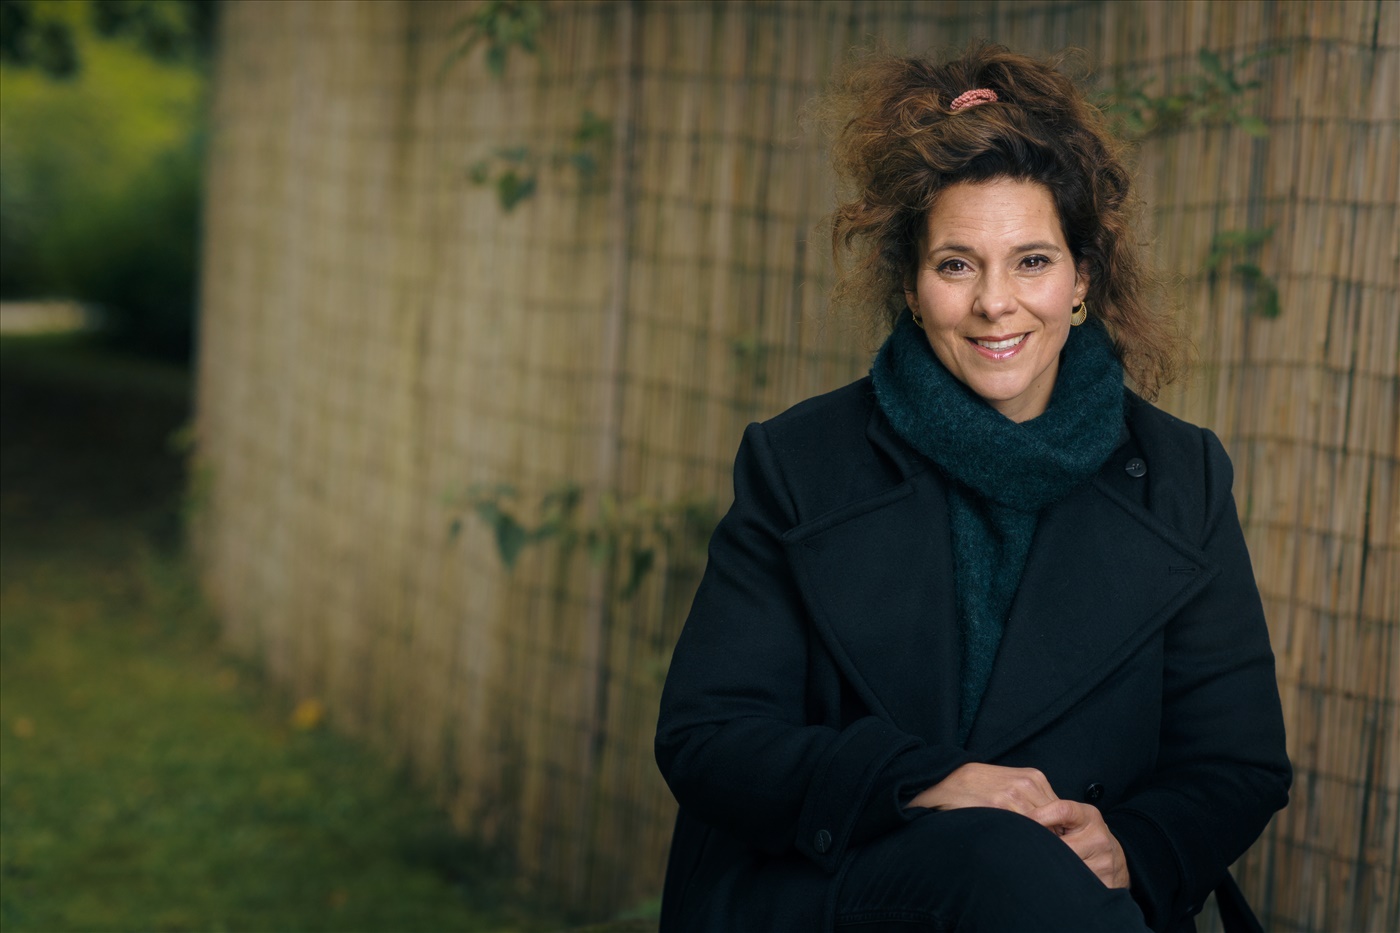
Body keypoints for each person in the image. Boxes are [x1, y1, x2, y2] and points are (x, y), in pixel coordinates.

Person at [654, 44, 1290, 933]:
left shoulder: (1182, 477)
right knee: (995, 857)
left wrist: (1130, 845)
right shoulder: (801, 461)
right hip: (836, 894)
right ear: (911, 288)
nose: (996, 302)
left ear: (1081, 279)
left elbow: (1238, 760)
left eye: (1032, 261)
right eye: (957, 264)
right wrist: (925, 781)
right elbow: (710, 735)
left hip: (1081, 904)